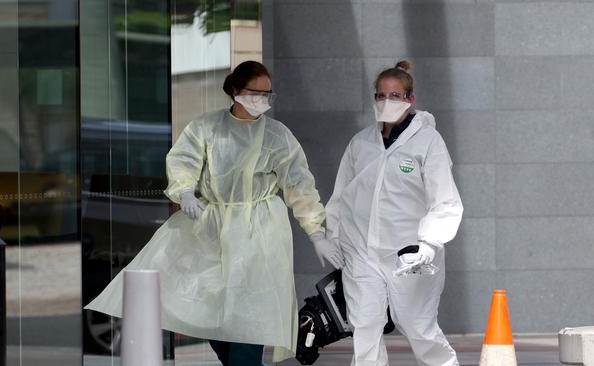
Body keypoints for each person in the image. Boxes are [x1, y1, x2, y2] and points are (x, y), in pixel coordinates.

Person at [85, 60, 343, 365]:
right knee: (212, 314)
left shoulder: (277, 136)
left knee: (249, 320)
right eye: (255, 92)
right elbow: (184, 159)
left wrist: (315, 232)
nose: (262, 100)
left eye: (267, 94)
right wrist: (184, 191)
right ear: (235, 90)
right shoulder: (207, 127)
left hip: (259, 232)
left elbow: (299, 184)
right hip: (211, 230)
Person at [325, 60, 463, 366]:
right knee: (365, 325)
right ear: (374, 98)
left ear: (410, 100)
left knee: (418, 326)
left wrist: (429, 244)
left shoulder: (428, 142)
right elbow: (341, 195)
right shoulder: (361, 143)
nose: (387, 102)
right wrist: (330, 235)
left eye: (395, 95)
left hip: (408, 255)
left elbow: (445, 200)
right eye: (381, 95)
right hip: (362, 251)